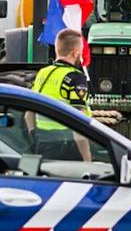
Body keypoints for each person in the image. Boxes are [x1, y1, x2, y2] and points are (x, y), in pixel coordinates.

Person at [29, 28, 92, 161]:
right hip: (67, 148)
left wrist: (35, 139)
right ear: (75, 53)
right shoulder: (76, 78)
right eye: (80, 52)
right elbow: (78, 125)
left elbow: (29, 114)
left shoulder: (43, 73)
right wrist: (88, 161)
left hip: (43, 144)